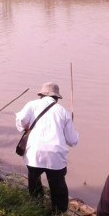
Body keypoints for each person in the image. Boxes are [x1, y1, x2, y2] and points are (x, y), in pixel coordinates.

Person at [16, 82, 78, 214]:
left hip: (33, 153)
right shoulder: (63, 112)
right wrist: (71, 122)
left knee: (34, 182)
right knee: (58, 187)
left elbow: (21, 122)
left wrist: (25, 127)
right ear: (57, 98)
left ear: (41, 95)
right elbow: (72, 141)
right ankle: (58, 211)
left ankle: (37, 206)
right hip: (55, 156)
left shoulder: (31, 104)